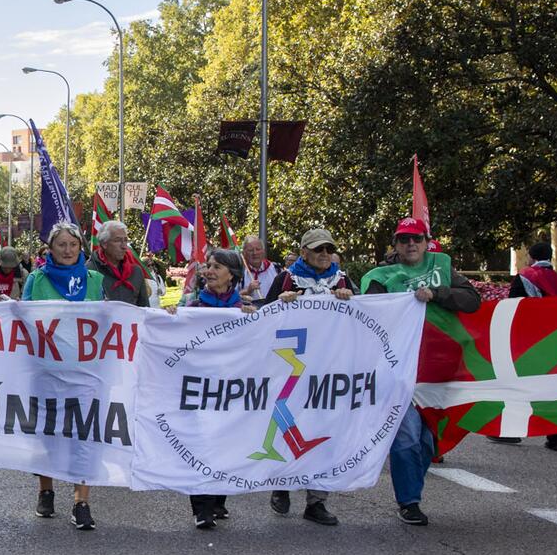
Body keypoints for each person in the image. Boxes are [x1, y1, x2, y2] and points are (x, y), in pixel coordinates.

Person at [359, 217, 482, 526]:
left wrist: (437, 294)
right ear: (396, 245)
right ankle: (409, 501)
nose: (410, 244)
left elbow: (472, 301)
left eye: (416, 239)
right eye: (403, 239)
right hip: (399, 370)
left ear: (427, 242)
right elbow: (370, 313)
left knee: (429, 441)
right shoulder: (381, 277)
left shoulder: (443, 269)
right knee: (408, 436)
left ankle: (412, 487)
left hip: (441, 370)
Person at [261, 227, 355, 525]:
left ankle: (317, 500)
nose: (324, 255)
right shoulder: (286, 278)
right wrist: (280, 302)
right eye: (318, 250)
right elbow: (263, 317)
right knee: (289, 425)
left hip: (328, 368)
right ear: (304, 252)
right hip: (291, 367)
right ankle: (282, 484)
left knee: (324, 431)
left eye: (328, 249)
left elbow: (363, 317)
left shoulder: (341, 279)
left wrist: (349, 298)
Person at [22, 222, 103, 529]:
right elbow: (24, 318)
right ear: (50, 250)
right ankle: (46, 489)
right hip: (46, 370)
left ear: (81, 248)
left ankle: (81, 502)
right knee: (48, 433)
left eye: (73, 245)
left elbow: (109, 318)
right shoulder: (37, 278)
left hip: (85, 371)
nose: (68, 250)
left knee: (84, 434)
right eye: (62, 245)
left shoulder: (94, 280)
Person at [171, 248, 258, 529]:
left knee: (226, 441)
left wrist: (253, 319)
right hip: (200, 387)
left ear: (231, 275)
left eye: (216, 267)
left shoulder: (244, 308)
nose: (209, 271)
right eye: (208, 265)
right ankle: (202, 507)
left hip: (231, 387)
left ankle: (219, 499)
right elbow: (173, 336)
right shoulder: (192, 305)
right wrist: (171, 316)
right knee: (201, 444)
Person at [497, 240, 557, 449]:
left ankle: (511, 431)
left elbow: (513, 305)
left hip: (529, 339)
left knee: (519, 384)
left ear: (531, 257)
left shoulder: (525, 277)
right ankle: (556, 436)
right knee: (551, 387)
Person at [89, 220, 150, 306]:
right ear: (104, 244)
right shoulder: (90, 271)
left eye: (125, 240)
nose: (124, 246)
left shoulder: (136, 272)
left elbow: (145, 309)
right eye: (118, 241)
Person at [239, 235, 279, 306]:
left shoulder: (276, 269)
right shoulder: (238, 272)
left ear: (263, 251)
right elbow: (229, 297)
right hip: (248, 313)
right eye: (250, 250)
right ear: (244, 252)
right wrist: (247, 291)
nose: (255, 253)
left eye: (258, 249)